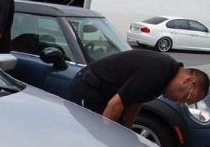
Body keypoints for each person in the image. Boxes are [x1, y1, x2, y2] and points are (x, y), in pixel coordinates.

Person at [69, 50, 210, 127]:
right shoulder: (158, 72)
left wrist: (128, 129)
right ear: (189, 81)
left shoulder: (166, 76)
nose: (180, 102)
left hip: (105, 94)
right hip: (89, 87)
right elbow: (115, 105)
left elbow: (137, 101)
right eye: (186, 98)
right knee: (92, 134)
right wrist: (106, 139)